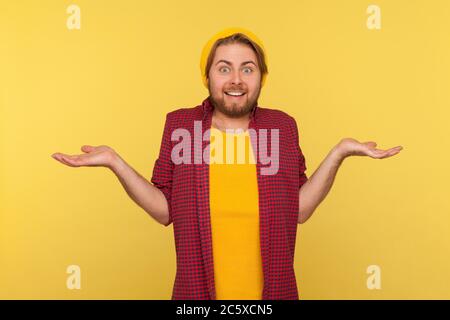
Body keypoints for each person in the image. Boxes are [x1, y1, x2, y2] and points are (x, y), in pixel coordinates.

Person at [51, 27, 403, 300]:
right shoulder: (181, 125)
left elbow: (299, 209)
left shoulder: (282, 127)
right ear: (208, 77)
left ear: (260, 77)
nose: (236, 79)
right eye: (224, 69)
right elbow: (164, 210)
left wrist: (339, 152)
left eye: (247, 69)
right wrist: (115, 161)